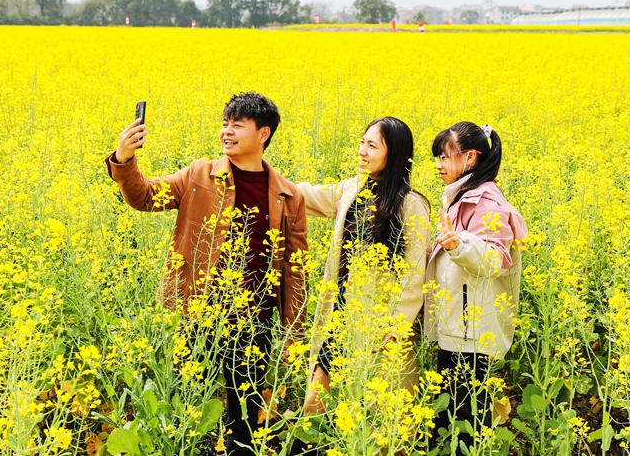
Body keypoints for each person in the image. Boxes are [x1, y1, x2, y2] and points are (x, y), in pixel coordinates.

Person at [105, 92, 308, 456]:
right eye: (224, 124)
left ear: (263, 134)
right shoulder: (199, 174)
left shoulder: (288, 196)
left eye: (237, 125)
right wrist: (124, 159)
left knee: (245, 416)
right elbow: (144, 197)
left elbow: (295, 271)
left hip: (254, 321)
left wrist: (295, 332)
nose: (226, 131)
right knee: (183, 406)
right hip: (200, 314)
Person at [291, 117, 431, 454]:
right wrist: (260, 175)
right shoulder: (352, 189)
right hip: (340, 315)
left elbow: (415, 273)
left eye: (371, 145)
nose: (361, 151)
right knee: (316, 399)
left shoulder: (411, 205)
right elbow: (306, 195)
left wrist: (396, 326)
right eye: (361, 142)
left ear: (394, 154)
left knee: (382, 414)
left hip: (379, 325)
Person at [425, 122, 527, 452]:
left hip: (471, 330)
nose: (438, 165)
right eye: (437, 157)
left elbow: (494, 259)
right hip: (459, 325)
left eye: (444, 156)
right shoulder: (462, 196)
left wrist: (459, 244)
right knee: (451, 416)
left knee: (465, 419)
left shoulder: (485, 201)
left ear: (470, 158)